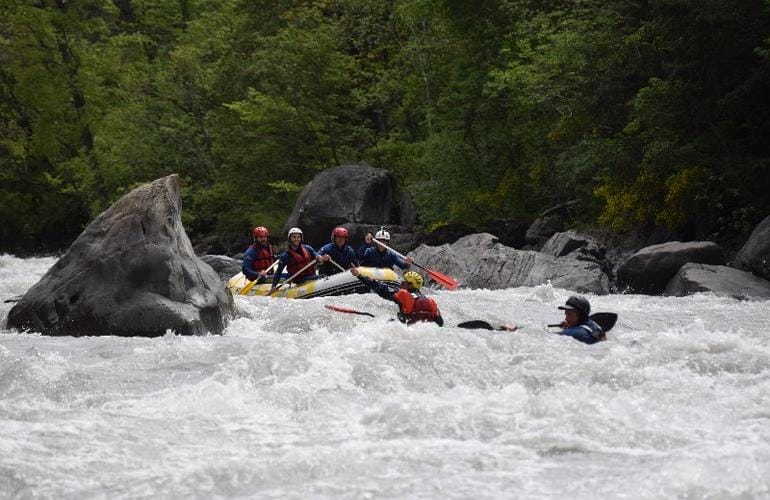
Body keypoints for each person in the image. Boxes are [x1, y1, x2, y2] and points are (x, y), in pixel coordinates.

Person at [350, 267, 443, 326]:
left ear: (410, 285)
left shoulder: (404, 295)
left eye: (404, 282)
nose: (401, 283)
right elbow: (440, 323)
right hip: (423, 330)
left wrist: (359, 275)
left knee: (386, 321)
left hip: (406, 328)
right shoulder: (425, 299)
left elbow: (380, 288)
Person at [270, 227, 324, 293]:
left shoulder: (308, 248)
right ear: (290, 238)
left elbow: (317, 259)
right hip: (300, 280)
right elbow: (278, 272)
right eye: (294, 237)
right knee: (320, 277)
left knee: (323, 276)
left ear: (301, 238)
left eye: (298, 237)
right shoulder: (286, 255)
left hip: (312, 277)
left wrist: (319, 258)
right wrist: (273, 286)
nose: (296, 239)